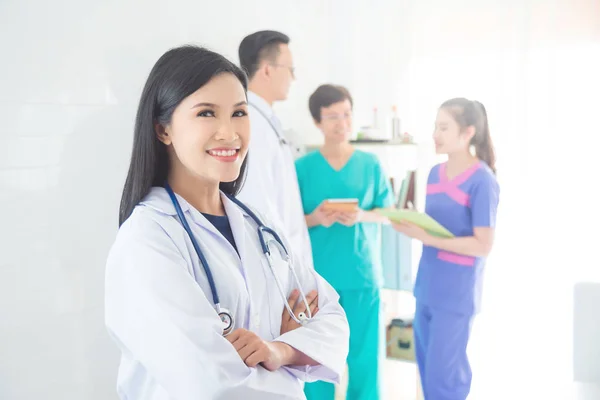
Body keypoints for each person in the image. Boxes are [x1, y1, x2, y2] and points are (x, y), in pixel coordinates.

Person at [104, 45, 350, 400]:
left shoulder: (257, 225)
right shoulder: (146, 241)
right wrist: (287, 357)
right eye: (206, 113)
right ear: (163, 130)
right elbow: (213, 385)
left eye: (238, 113)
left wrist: (280, 351)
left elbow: (333, 320)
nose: (229, 132)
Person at [391, 98, 500, 400]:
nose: (435, 134)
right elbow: (433, 227)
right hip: (427, 285)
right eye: (435, 127)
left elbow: (483, 244)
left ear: (467, 133)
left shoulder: (483, 181)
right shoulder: (434, 175)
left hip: (456, 293)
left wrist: (427, 239)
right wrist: (406, 224)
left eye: (443, 127)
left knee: (444, 378)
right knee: (427, 372)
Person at [295, 84, 394, 400]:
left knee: (365, 362)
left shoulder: (370, 164)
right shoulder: (301, 169)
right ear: (317, 122)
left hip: (362, 276)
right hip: (317, 282)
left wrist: (361, 215)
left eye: (347, 115)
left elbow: (388, 214)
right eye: (333, 116)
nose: (342, 123)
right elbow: (285, 225)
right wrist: (316, 218)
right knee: (316, 360)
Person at [236, 30, 313, 269]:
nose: (293, 78)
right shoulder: (252, 124)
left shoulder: (264, 119)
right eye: (290, 70)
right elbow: (260, 209)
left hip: (286, 266)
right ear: (268, 70)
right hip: (277, 269)